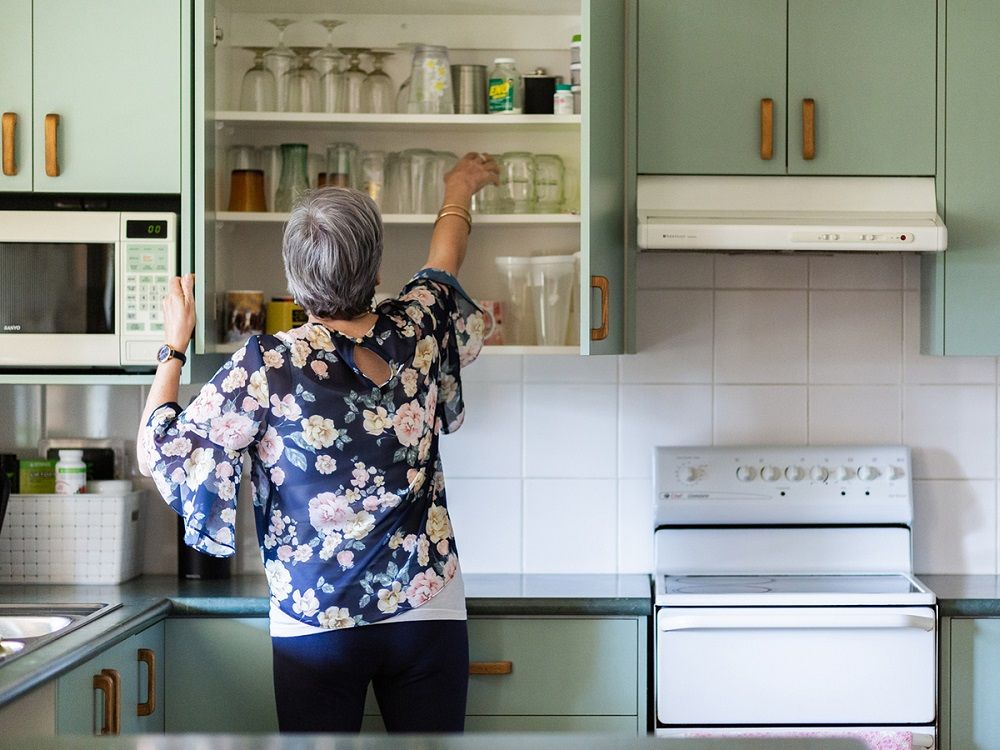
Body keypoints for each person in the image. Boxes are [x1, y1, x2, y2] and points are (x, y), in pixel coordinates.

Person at [136, 152, 499, 733]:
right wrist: (459, 187)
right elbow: (446, 251)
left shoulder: (267, 364)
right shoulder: (419, 325)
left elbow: (162, 449)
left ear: (293, 280)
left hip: (317, 621)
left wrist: (174, 344)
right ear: (376, 271)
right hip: (426, 604)